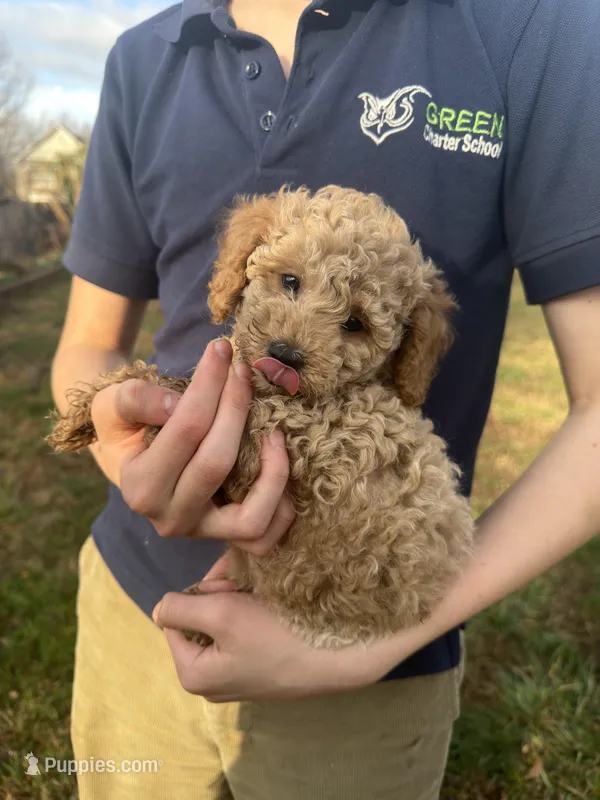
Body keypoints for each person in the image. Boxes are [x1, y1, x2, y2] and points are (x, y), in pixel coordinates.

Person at [51, 0, 600, 797]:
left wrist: (374, 638)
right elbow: (89, 343)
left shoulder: (537, 27)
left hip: (369, 655)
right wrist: (124, 449)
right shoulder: (144, 55)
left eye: (346, 322)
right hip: (133, 599)